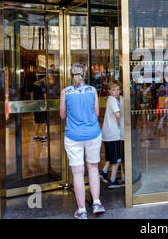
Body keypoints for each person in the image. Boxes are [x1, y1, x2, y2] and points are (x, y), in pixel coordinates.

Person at [60, 63, 105, 219]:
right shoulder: (92, 90)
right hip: (93, 134)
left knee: (77, 173)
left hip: (73, 136)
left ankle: (81, 210)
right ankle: (97, 202)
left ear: (71, 74)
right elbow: (97, 113)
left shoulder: (65, 92)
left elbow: (62, 115)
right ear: (85, 74)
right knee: (93, 168)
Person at [100, 81, 125, 188]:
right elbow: (117, 114)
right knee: (117, 159)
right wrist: (122, 123)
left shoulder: (114, 99)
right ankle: (113, 180)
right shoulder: (113, 100)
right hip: (113, 133)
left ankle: (104, 172)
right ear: (109, 91)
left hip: (108, 134)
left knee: (111, 157)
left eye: (118, 90)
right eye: (113, 90)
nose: (116, 92)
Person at [32, 77, 47, 142]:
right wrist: (46, 103)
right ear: (43, 78)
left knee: (37, 121)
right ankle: (44, 136)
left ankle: (35, 136)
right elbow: (45, 95)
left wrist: (33, 103)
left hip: (35, 105)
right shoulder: (42, 85)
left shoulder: (34, 85)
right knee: (43, 120)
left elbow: (32, 95)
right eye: (45, 78)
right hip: (42, 105)